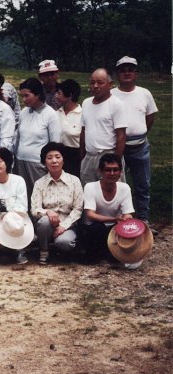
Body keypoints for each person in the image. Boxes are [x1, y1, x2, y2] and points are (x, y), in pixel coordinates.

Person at [111, 56, 158, 224]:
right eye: (122, 70)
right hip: (117, 147)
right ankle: (117, 220)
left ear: (136, 73)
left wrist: (140, 132)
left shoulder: (144, 93)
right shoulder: (111, 94)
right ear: (117, 74)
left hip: (140, 148)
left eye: (130, 69)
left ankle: (143, 220)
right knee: (116, 184)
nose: (126, 73)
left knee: (142, 185)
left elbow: (150, 117)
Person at [31, 142, 83, 265]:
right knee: (44, 222)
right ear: (45, 162)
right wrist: (47, 212)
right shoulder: (39, 183)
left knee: (64, 243)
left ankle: (61, 249)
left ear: (63, 160)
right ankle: (44, 251)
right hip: (47, 225)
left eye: (57, 157)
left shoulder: (74, 181)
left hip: (68, 224)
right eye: (49, 158)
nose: (54, 161)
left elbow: (78, 209)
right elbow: (34, 209)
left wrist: (63, 226)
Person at [14, 78, 61, 201]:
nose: (23, 99)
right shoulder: (24, 112)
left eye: (27, 96)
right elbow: (18, 137)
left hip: (38, 166)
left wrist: (49, 165)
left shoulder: (50, 115)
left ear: (38, 94)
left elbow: (54, 144)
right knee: (23, 197)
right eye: (22, 96)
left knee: (40, 197)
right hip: (20, 162)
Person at [82, 153, 134, 262]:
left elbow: (128, 213)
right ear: (100, 171)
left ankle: (110, 252)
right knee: (97, 228)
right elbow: (90, 215)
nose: (112, 173)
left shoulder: (124, 188)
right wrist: (114, 219)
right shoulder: (90, 187)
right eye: (108, 170)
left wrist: (126, 220)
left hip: (113, 228)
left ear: (120, 172)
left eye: (115, 170)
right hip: (93, 228)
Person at [79, 68, 127, 185]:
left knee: (111, 193)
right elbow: (83, 131)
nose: (95, 86)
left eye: (100, 82)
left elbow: (121, 136)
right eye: (92, 82)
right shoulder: (86, 103)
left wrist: (115, 162)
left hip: (108, 155)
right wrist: (82, 157)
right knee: (88, 191)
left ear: (110, 84)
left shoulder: (116, 104)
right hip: (89, 156)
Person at [55, 79, 82, 177]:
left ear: (70, 95)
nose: (56, 96)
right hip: (57, 157)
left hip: (75, 159)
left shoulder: (82, 115)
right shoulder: (56, 114)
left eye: (59, 93)